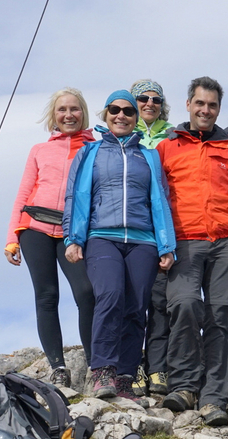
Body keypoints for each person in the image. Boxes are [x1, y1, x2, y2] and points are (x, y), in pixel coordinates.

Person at [155, 77, 228, 426]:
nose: (205, 110)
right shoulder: (167, 148)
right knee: (184, 305)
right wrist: (161, 244)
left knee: (224, 317)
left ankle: (215, 396)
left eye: (212, 105)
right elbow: (155, 200)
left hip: (227, 243)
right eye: (199, 103)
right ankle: (184, 385)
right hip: (183, 242)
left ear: (218, 109)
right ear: (188, 105)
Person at [62, 90, 175, 407]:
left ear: (136, 118)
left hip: (144, 241)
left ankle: (124, 378)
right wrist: (74, 238)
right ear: (106, 114)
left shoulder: (149, 156)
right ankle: (102, 371)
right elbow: (77, 196)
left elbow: (159, 200)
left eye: (127, 111)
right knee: (110, 297)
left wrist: (167, 245)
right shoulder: (91, 152)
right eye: (115, 109)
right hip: (102, 236)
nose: (121, 115)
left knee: (136, 308)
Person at [4, 87, 96, 389]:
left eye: (74, 109)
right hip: (35, 227)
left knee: (86, 293)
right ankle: (58, 367)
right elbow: (22, 193)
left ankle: (96, 363)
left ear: (82, 113)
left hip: (74, 231)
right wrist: (12, 237)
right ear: (53, 116)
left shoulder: (94, 147)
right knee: (46, 296)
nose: (68, 115)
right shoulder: (39, 150)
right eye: (62, 110)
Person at [128, 79, 174, 397]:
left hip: (165, 225)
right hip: (131, 227)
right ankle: (134, 364)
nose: (149, 104)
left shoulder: (173, 136)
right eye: (142, 98)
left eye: (155, 99)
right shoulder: (119, 137)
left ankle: (158, 366)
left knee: (161, 301)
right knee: (133, 300)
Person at [131, 79, 173, 148]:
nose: (150, 104)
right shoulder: (125, 132)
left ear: (161, 105)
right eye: (143, 98)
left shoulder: (173, 134)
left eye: (156, 100)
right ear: (133, 103)